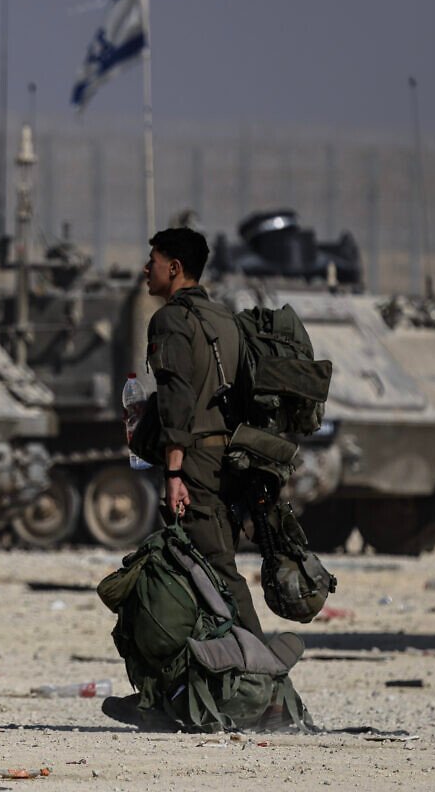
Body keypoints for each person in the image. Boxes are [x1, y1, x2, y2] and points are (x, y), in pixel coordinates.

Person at [140, 226, 261, 635]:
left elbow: (177, 395)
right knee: (199, 568)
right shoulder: (224, 318)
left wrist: (174, 473)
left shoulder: (171, 320)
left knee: (215, 569)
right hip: (229, 457)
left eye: (153, 262)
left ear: (174, 268)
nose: (145, 270)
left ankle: (265, 682)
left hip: (195, 463)